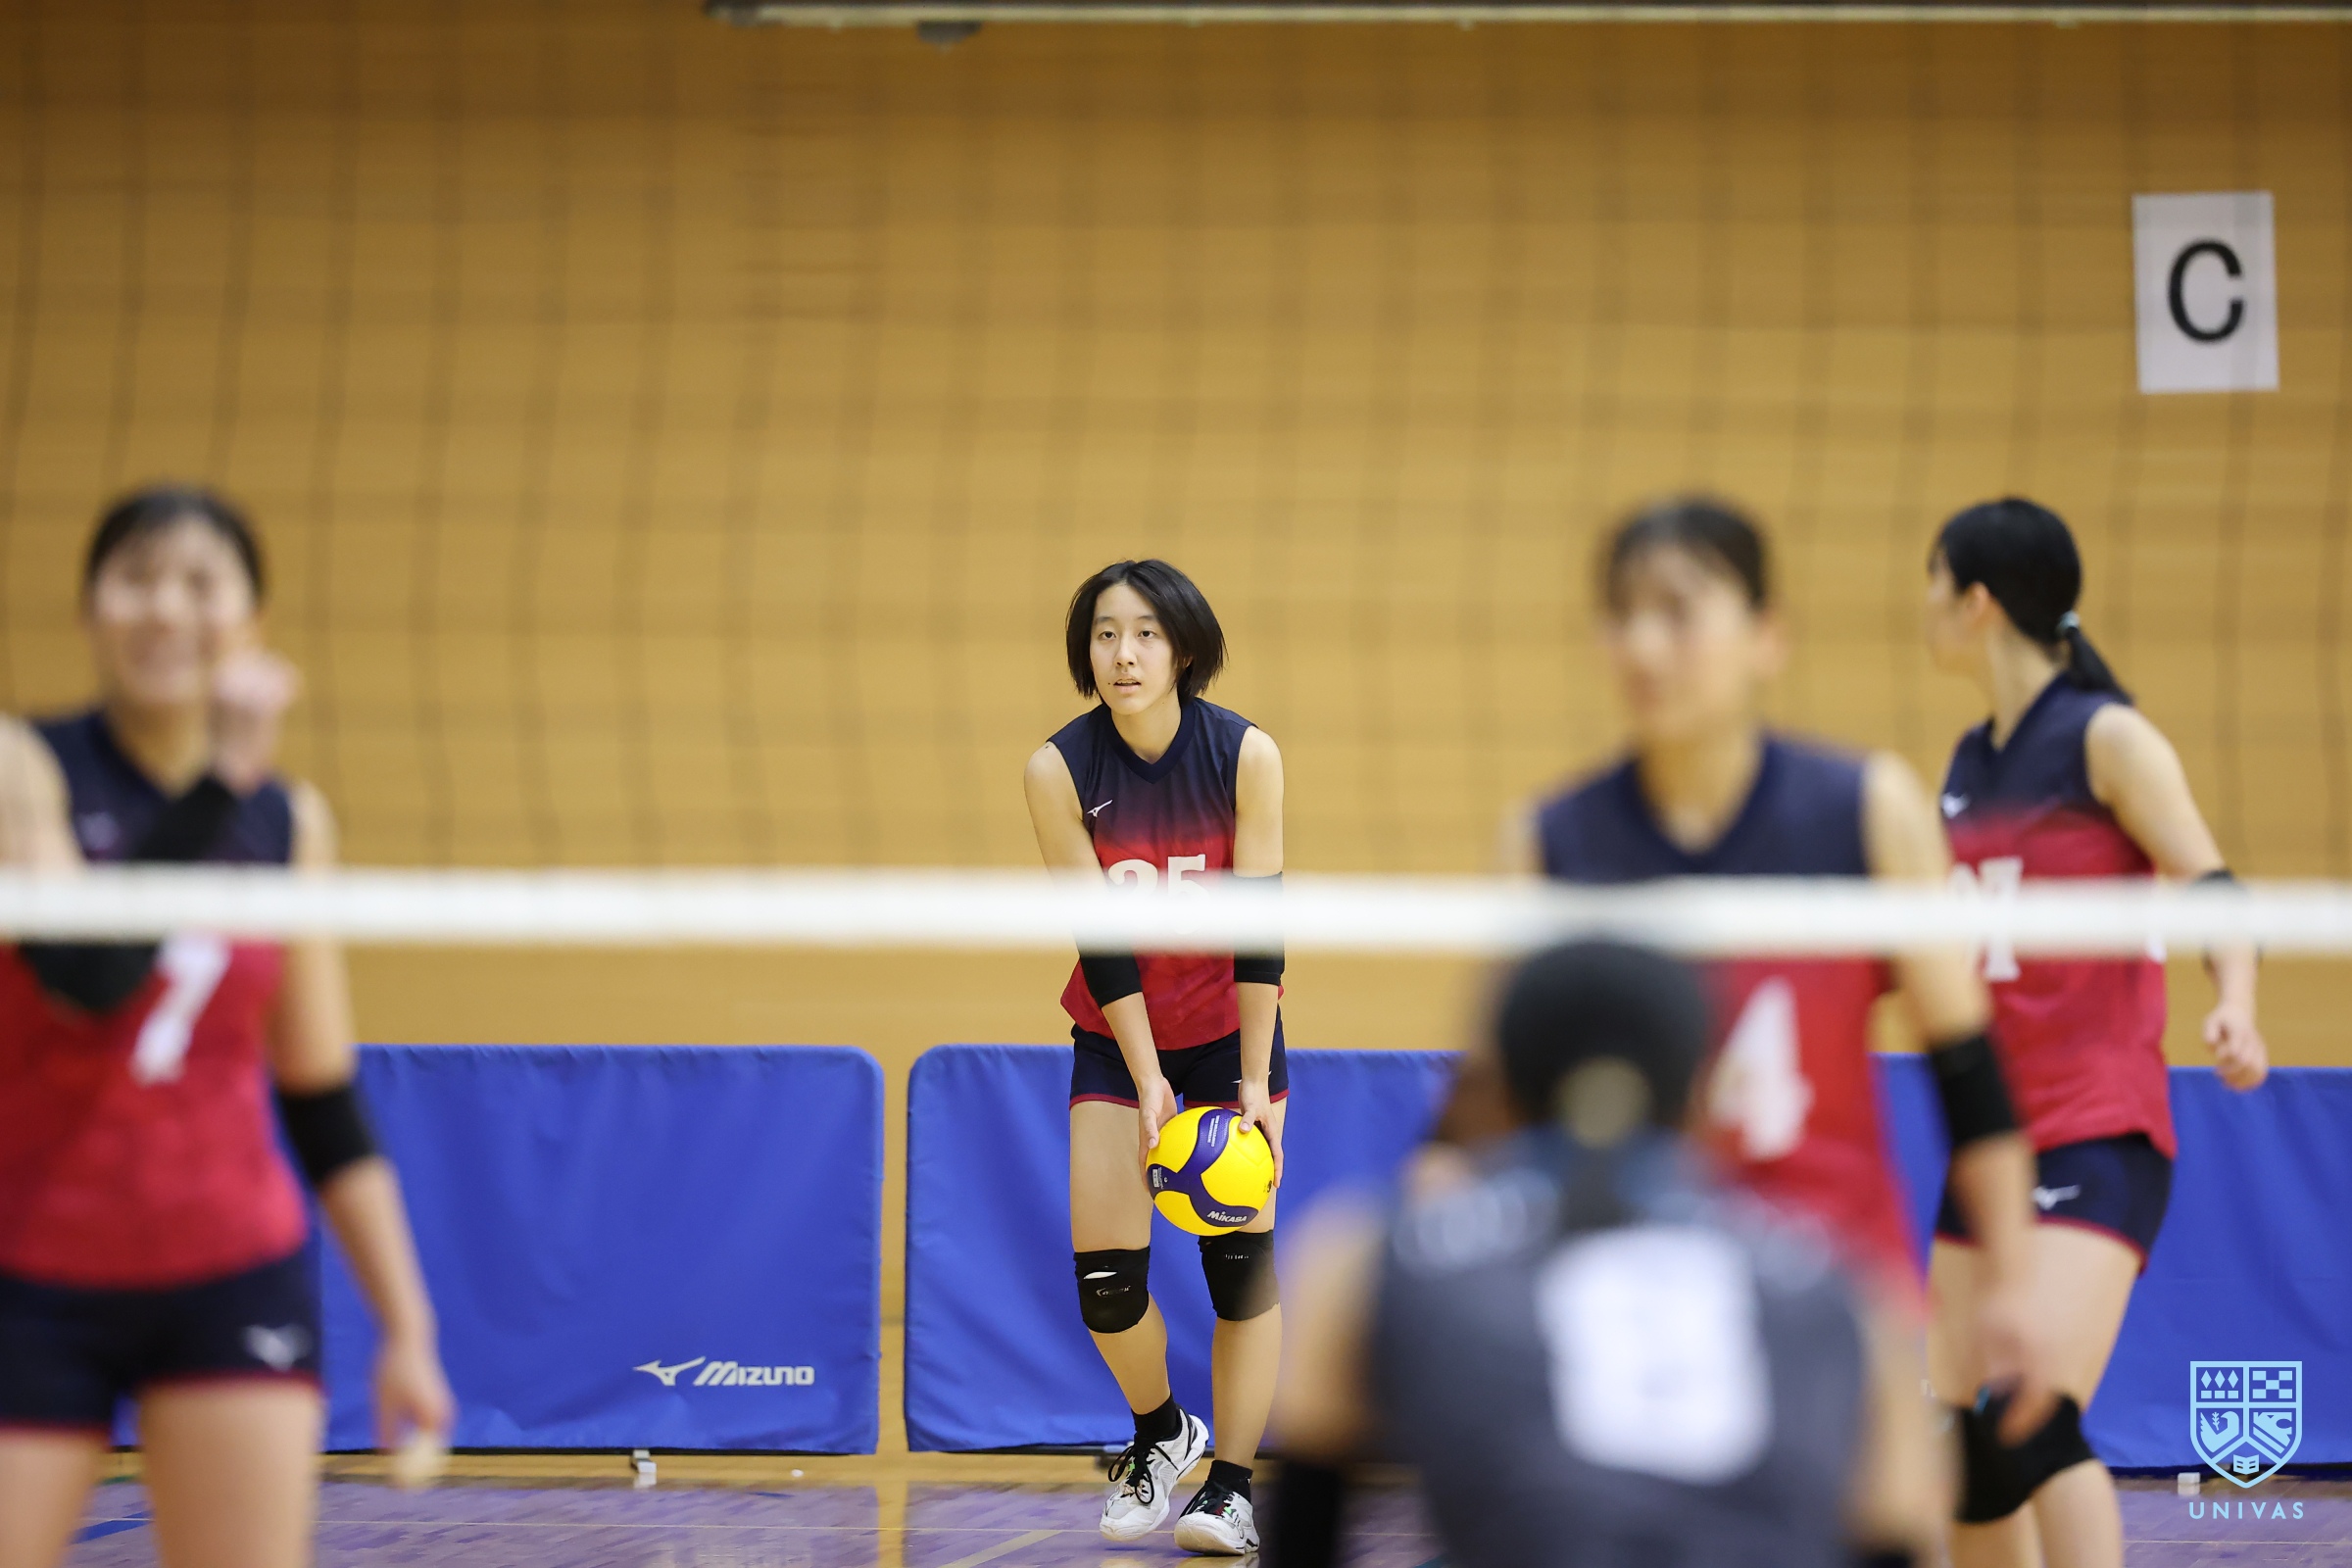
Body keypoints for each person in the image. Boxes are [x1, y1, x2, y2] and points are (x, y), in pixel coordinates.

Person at [1494, 496, 2050, 1419]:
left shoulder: (1866, 809)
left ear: (1766, 637)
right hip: (1634, 1310)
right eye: (1622, 614)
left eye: (1678, 612)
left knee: (1948, 1483)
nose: (1643, 645)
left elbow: (1968, 1071)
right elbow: (1495, 1109)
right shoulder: (1551, 840)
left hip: (1832, 1292)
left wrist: (2015, 1281)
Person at [0, 486, 452, 1568]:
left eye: (200, 583)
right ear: (90, 609)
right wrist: (221, 782)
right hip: (33, 1268)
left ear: (251, 622)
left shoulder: (288, 821)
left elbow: (320, 1094)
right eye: (136, 578)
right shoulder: (24, 769)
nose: (166, 608)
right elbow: (86, 976)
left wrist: (408, 1326)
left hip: (229, 1268)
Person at [1269, 940, 1945, 1568]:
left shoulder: (1361, 1259)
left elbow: (1306, 1512)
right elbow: (1895, 1520)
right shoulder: (1848, 1291)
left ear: (1498, 1092)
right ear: (1705, 1095)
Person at [1922, 497, 2267, 1568]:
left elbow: (2214, 885)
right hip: (1993, 1142)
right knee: (1965, 1442)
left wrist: (2236, 1000)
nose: (1923, 606)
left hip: (2095, 1130)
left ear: (1978, 602)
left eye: (1934, 584)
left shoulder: (2105, 737)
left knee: (2026, 1416)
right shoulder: (1967, 764)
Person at [1023, 559, 1286, 1555]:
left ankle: (1232, 1488)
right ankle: (1162, 1429)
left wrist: (1253, 1081)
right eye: (1104, 634)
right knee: (1107, 1285)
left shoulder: (1244, 754)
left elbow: (1261, 933)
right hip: (1115, 1033)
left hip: (1231, 1034)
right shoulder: (1059, 770)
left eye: (1144, 634)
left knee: (1241, 1271)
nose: (1123, 654)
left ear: (1183, 648)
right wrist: (1145, 1081)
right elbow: (1102, 942)